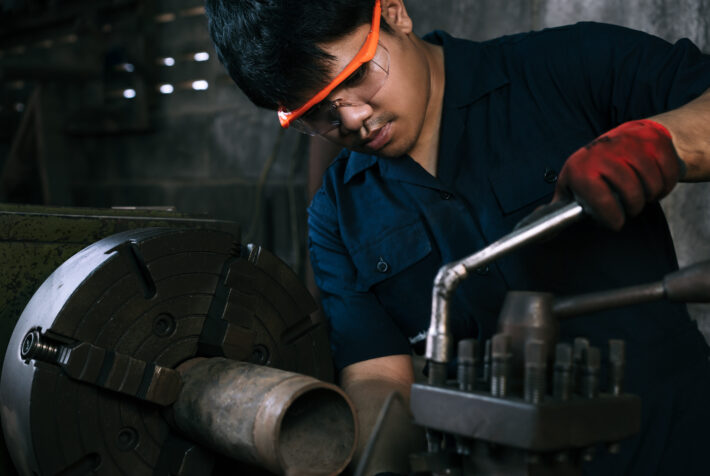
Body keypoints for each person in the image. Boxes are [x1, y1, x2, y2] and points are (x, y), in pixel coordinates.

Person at [205, 0, 710, 474]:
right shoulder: (337, 213)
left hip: (677, 442)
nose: (353, 119)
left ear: (395, 14)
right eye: (319, 113)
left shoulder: (566, 66)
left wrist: (662, 143)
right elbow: (380, 378)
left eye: (358, 74)